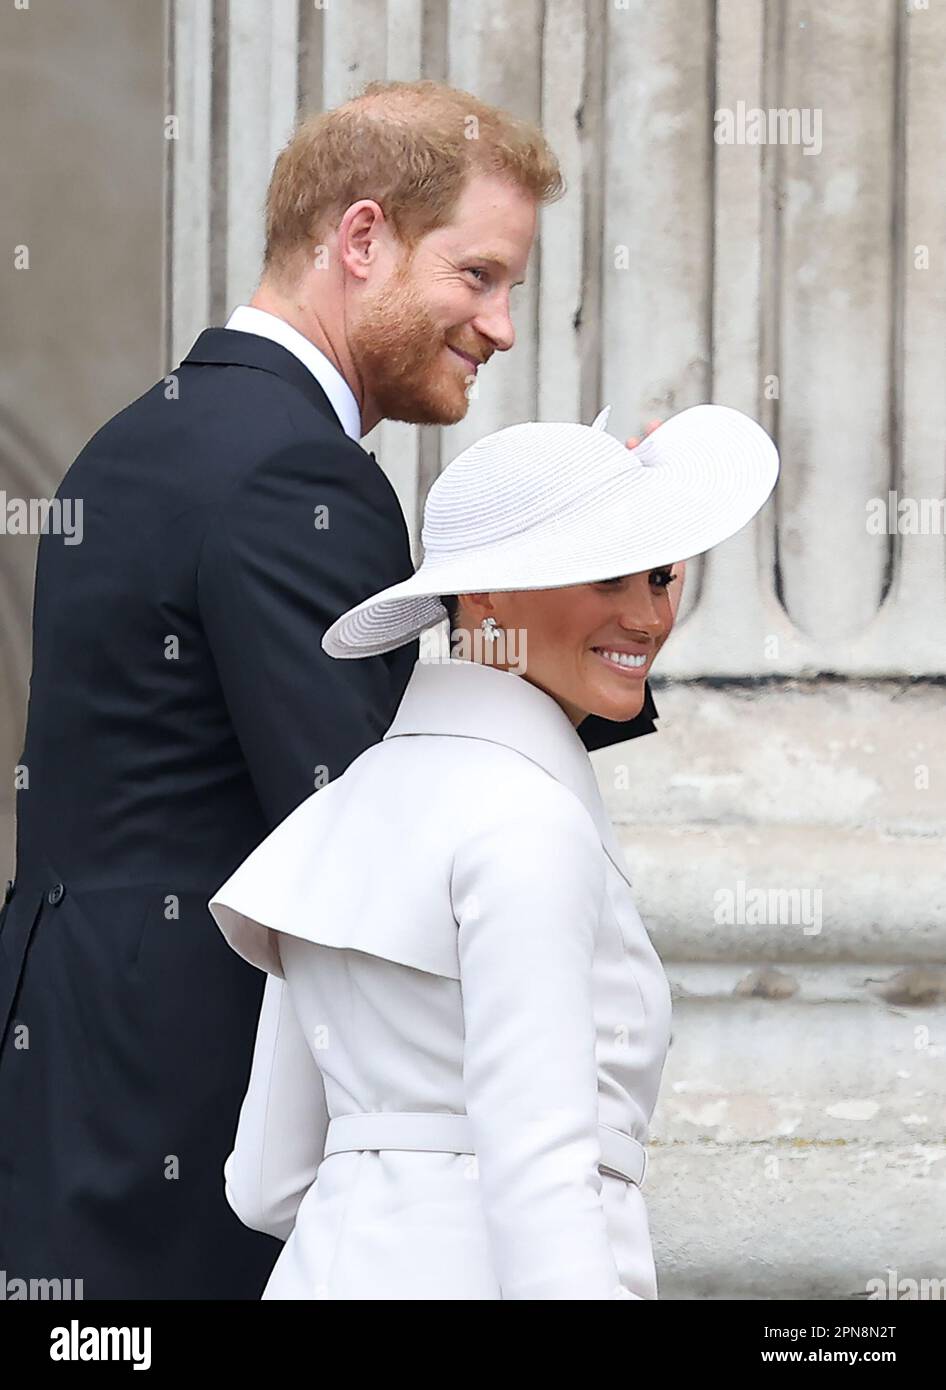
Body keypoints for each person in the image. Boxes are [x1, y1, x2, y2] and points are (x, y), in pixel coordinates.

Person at [0, 79, 653, 1302]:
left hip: (78, 1093)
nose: (502, 324)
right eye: (477, 275)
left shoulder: (142, 433)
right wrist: (579, 596)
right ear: (361, 239)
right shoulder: (295, 471)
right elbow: (383, 813)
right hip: (189, 1134)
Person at [209, 401, 779, 1300]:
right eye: (606, 578)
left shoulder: (339, 813)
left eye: (660, 578)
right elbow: (545, 1186)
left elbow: (266, 1181)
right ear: (484, 594)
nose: (646, 618)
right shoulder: (530, 820)